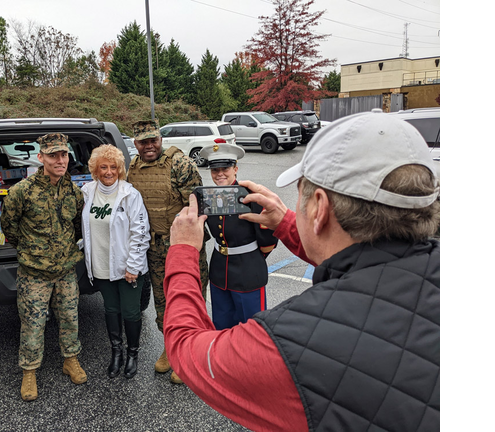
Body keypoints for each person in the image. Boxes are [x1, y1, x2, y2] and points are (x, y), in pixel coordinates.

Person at [163, 110, 440, 431]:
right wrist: (285, 222)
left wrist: (182, 251)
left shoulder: (285, 343)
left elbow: (186, 349)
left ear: (319, 208)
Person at [0, 132, 88, 402]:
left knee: (70, 318)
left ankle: (70, 360)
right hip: (34, 273)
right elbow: (9, 228)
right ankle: (29, 372)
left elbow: (75, 226)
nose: (60, 160)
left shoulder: (73, 191)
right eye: (53, 155)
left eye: (63, 154)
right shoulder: (21, 192)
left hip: (65, 270)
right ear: (41, 157)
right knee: (33, 324)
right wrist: (32, 252)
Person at [126, 119, 209, 384]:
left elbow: (198, 204)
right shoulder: (133, 167)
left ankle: (190, 356)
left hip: (183, 247)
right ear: (136, 143)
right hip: (153, 248)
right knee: (162, 303)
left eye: (154, 140)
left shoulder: (180, 164)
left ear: (160, 139)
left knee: (189, 300)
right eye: (144, 141)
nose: (150, 146)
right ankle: (171, 348)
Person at [80, 144, 151, 379]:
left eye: (113, 167)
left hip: (127, 267)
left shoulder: (130, 194)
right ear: (95, 170)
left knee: (130, 312)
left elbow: (141, 233)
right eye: (103, 167)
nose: (108, 172)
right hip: (101, 265)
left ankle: (132, 354)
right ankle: (116, 353)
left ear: (119, 169)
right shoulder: (87, 192)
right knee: (111, 310)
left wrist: (133, 266)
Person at [198, 144, 278, 329]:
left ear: (235, 168)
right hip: (219, 271)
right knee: (222, 326)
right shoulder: (208, 197)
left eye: (225, 169)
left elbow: (268, 238)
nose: (220, 174)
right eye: (215, 170)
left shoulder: (251, 197)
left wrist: (253, 259)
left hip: (248, 271)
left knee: (252, 328)